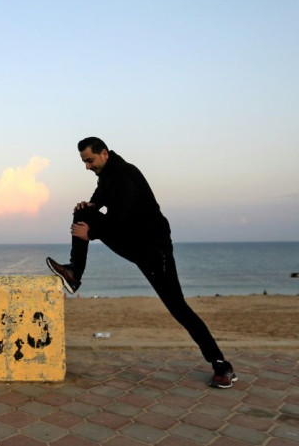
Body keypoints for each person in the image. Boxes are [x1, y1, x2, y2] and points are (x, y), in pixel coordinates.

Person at [46, 137, 237, 389]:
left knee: (178, 307)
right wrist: (89, 207)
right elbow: (99, 200)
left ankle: (221, 365)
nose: (87, 166)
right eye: (84, 162)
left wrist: (90, 234)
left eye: (89, 160)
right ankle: (74, 273)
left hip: (154, 250)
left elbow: (120, 219)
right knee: (81, 212)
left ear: (103, 153)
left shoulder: (125, 174)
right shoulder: (106, 176)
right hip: (132, 242)